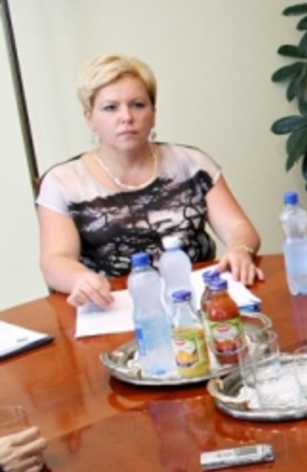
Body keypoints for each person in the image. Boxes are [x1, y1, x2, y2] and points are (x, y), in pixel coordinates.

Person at [36, 54, 263, 308]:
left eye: (137, 105)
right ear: (89, 118)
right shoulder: (62, 182)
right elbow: (55, 259)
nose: (126, 117)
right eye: (110, 108)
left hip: (198, 299)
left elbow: (239, 228)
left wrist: (240, 249)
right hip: (114, 305)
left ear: (153, 113)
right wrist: (81, 279)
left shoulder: (192, 163)